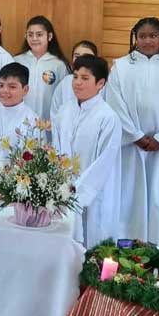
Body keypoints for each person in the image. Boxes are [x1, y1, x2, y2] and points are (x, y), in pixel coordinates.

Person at [106, 17, 159, 244]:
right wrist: (135, 136)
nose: (147, 41)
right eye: (142, 36)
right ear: (135, 38)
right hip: (130, 148)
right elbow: (115, 104)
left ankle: (153, 247)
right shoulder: (121, 67)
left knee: (156, 198)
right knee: (128, 197)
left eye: (153, 36)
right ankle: (122, 247)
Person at [52, 55, 122, 248]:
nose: (77, 83)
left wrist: (78, 191)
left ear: (101, 83)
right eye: (75, 77)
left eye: (85, 78)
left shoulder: (108, 117)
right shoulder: (64, 111)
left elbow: (105, 161)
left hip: (93, 193)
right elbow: (57, 149)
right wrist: (62, 183)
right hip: (64, 190)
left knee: (93, 243)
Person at [13, 16, 70, 124]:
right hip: (20, 122)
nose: (34, 38)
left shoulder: (58, 65)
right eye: (30, 35)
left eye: (39, 34)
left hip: (48, 122)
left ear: (49, 36)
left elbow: (64, 97)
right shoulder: (17, 61)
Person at [50, 40, 101, 117]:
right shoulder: (65, 82)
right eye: (77, 56)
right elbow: (55, 111)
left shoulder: (100, 83)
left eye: (86, 56)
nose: (81, 60)